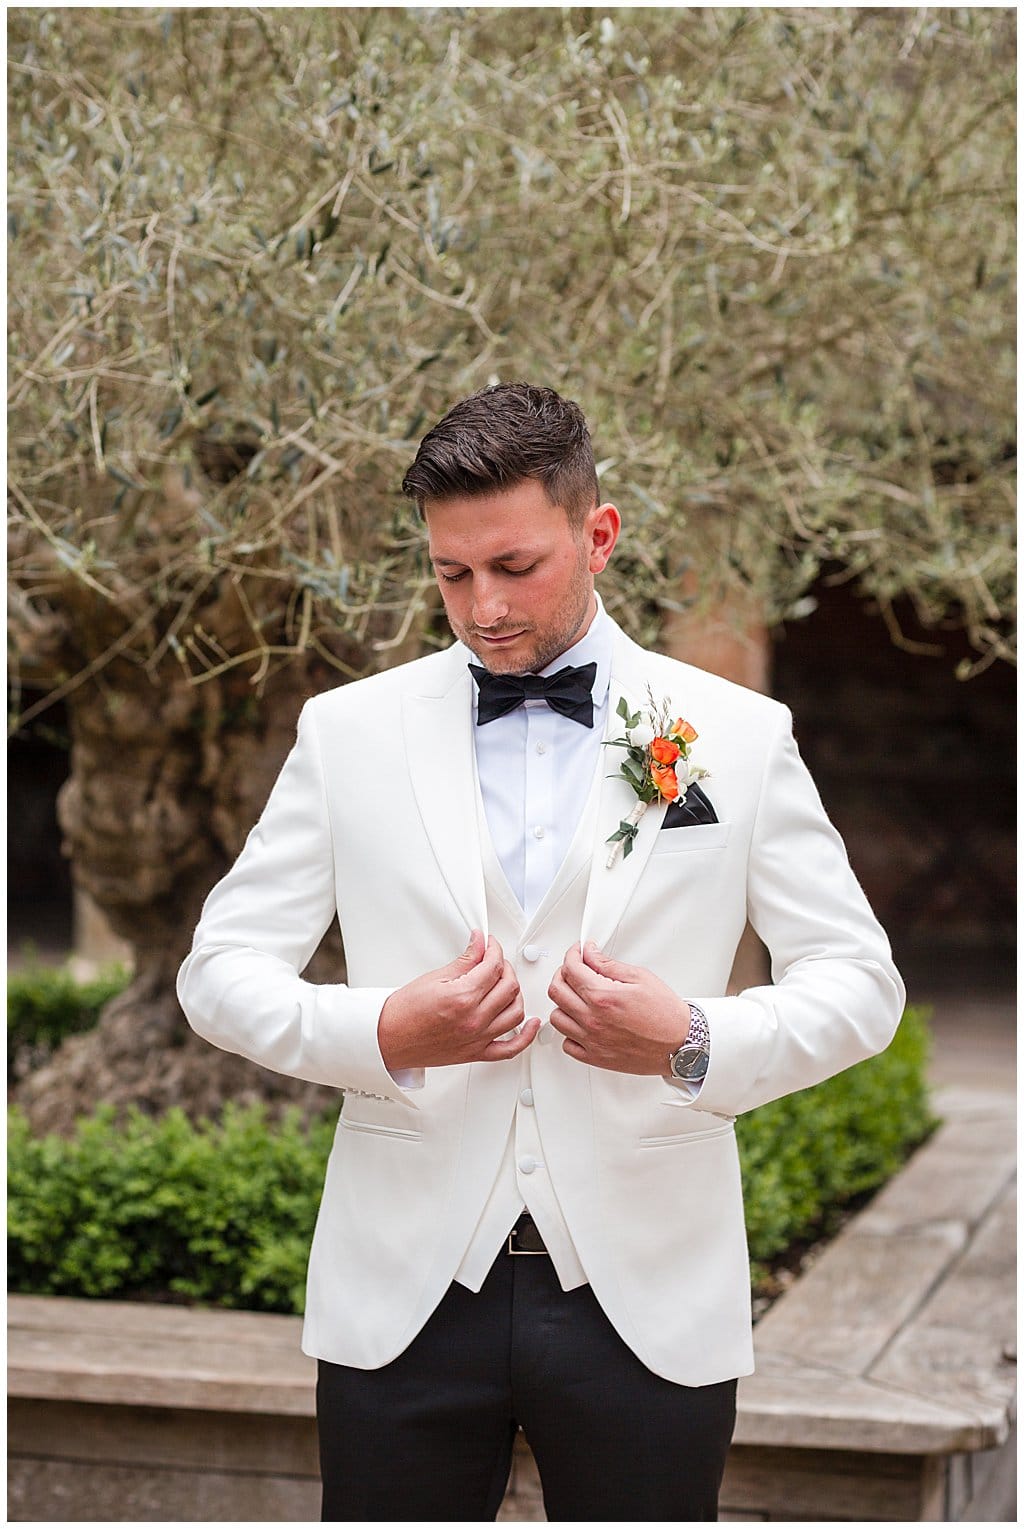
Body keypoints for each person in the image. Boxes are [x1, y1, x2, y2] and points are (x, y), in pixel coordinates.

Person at [177, 382, 904, 1522]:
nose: (482, 607)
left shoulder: (733, 736)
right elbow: (216, 971)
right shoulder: (348, 731)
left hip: (648, 1295)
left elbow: (861, 988)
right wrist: (379, 1030)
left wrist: (694, 1035)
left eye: (514, 567)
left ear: (597, 534)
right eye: (451, 572)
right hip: (403, 1290)